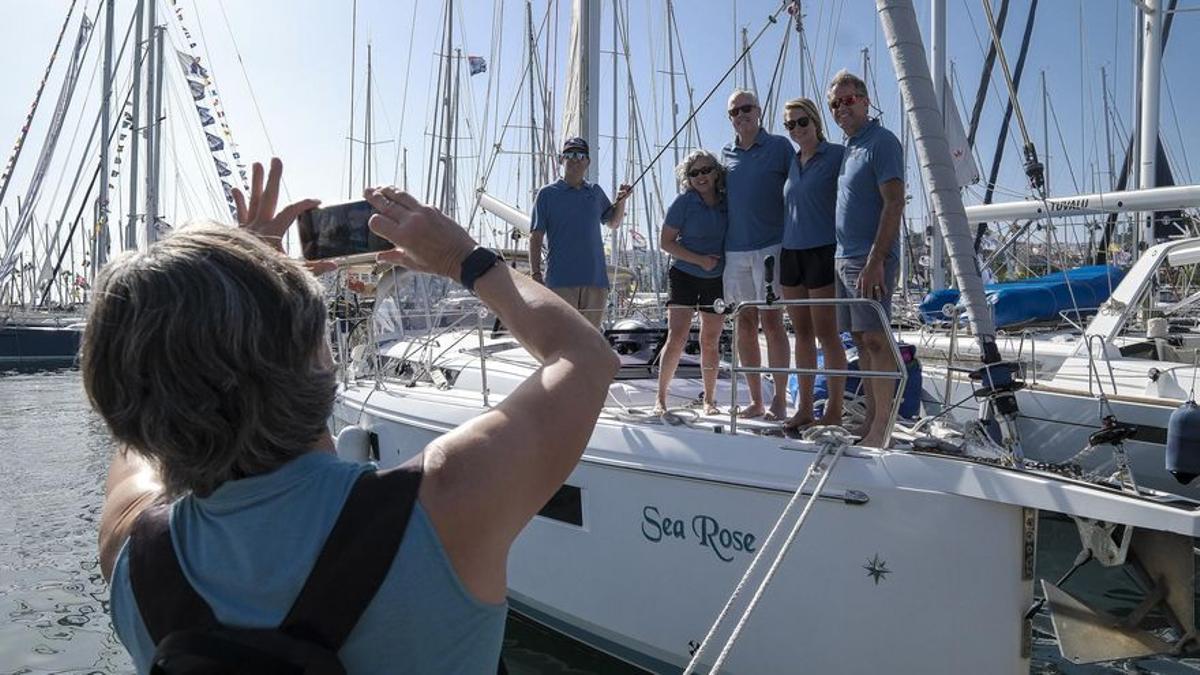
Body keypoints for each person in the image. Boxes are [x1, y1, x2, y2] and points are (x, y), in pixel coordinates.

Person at [90, 158, 620, 673]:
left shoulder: (131, 552)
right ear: (317, 354)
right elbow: (586, 357)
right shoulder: (444, 505)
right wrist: (464, 257)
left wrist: (241, 276)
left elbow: (143, 410)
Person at [827, 70, 905, 448]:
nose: (842, 108)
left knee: (876, 339)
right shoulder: (850, 148)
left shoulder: (882, 142)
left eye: (848, 100)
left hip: (869, 257)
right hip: (845, 257)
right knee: (860, 338)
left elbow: (894, 202)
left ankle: (882, 427)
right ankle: (872, 420)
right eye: (835, 104)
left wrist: (877, 259)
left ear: (865, 100)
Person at [722, 89, 795, 420]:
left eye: (746, 108)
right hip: (734, 250)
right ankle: (756, 399)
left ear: (759, 110)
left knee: (773, 321)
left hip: (771, 246)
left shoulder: (780, 147)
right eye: (734, 112)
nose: (740, 115)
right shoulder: (724, 154)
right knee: (745, 323)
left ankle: (779, 399)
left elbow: (800, 184)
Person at [778, 97, 849, 430]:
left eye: (801, 122)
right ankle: (805, 408)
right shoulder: (792, 162)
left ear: (816, 121)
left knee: (827, 334)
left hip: (823, 249)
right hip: (791, 252)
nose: (796, 129)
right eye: (789, 125)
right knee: (802, 335)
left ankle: (834, 410)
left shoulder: (836, 156)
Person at [529, 137, 632, 329]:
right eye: (569, 154)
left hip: (595, 281)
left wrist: (622, 200)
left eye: (580, 155)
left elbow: (613, 223)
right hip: (560, 281)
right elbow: (535, 237)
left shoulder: (595, 192)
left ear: (588, 161)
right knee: (564, 339)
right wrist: (536, 274)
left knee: (591, 341)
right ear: (562, 160)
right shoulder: (546, 194)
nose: (575, 159)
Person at [655, 150, 728, 416]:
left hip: (716, 278)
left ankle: (709, 400)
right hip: (684, 274)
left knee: (711, 340)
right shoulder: (684, 202)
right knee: (677, 337)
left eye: (706, 170)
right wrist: (699, 260)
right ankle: (660, 399)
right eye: (694, 173)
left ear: (716, 171)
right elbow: (666, 242)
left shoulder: (726, 202)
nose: (701, 176)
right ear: (688, 178)